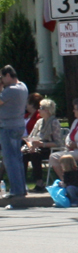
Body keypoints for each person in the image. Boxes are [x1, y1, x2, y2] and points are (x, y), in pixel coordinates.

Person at [0, 65, 28, 198]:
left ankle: (16, 191)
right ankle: (22, 188)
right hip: (19, 125)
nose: (2, 81)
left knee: (10, 160)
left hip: (8, 127)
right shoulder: (23, 86)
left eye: (2, 77)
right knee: (17, 159)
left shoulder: (10, 90)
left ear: (8, 76)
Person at [23, 98, 63, 192]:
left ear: (47, 110)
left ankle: (39, 182)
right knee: (24, 155)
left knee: (35, 155)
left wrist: (42, 144)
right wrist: (30, 146)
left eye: (41, 108)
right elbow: (30, 137)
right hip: (36, 147)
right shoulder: (39, 122)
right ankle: (22, 182)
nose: (38, 110)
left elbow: (58, 143)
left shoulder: (54, 122)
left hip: (48, 149)